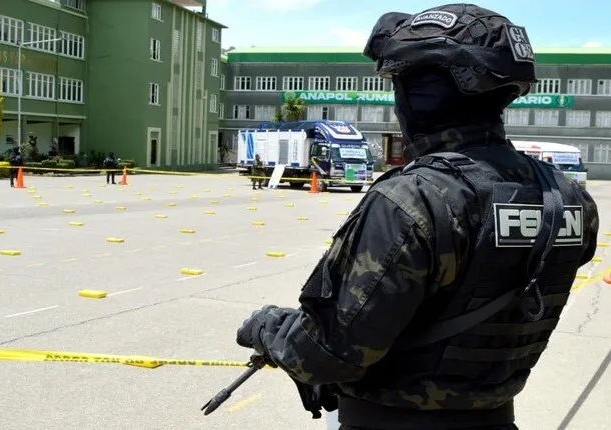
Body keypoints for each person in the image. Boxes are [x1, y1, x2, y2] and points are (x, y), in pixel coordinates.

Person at [234, 4, 599, 430]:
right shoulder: (569, 198)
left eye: (402, 85)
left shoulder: (414, 199)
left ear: (421, 94)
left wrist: (267, 327)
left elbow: (327, 354)